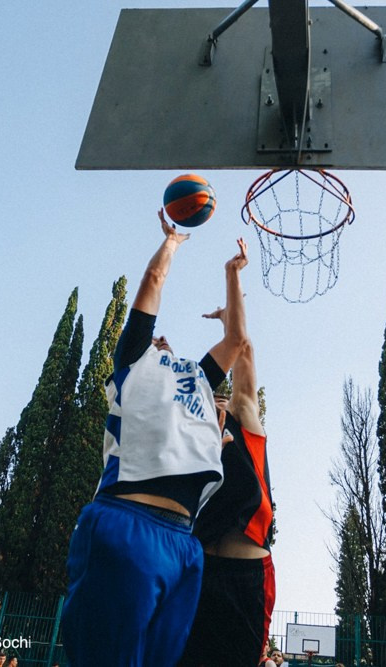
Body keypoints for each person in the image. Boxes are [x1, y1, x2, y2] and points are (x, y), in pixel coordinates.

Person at [61, 211, 250, 667]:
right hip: (128, 522)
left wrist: (231, 275)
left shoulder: (198, 380)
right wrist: (172, 242)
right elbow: (152, 279)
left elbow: (238, 340)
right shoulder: (133, 362)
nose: (162, 340)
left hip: (183, 543)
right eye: (155, 338)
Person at [178, 316, 274, 666]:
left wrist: (230, 318)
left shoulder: (243, 418)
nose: (214, 400)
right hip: (198, 566)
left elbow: (243, 349)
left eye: (219, 397)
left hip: (244, 572)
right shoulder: (190, 442)